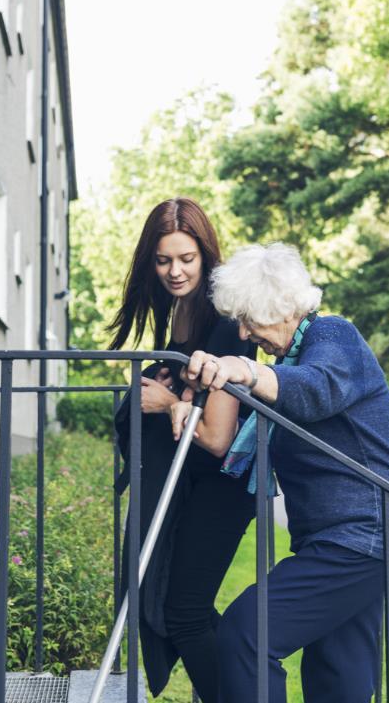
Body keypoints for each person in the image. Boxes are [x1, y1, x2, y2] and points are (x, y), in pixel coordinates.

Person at [181, 242, 389, 703]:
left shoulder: (333, 337)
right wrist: (184, 405)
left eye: (251, 319)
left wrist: (245, 369)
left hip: (367, 533)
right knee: (339, 669)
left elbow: (317, 390)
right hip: (351, 537)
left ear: (282, 306)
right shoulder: (289, 362)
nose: (246, 332)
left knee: (246, 632)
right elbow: (240, 440)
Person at [107, 197, 255, 702]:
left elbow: (217, 437)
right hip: (197, 483)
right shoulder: (181, 317)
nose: (174, 271)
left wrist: (167, 399)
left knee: (184, 612)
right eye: (164, 259)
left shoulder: (225, 321)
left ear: (206, 256)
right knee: (180, 606)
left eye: (186, 259)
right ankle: (245, 682)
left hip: (226, 483)